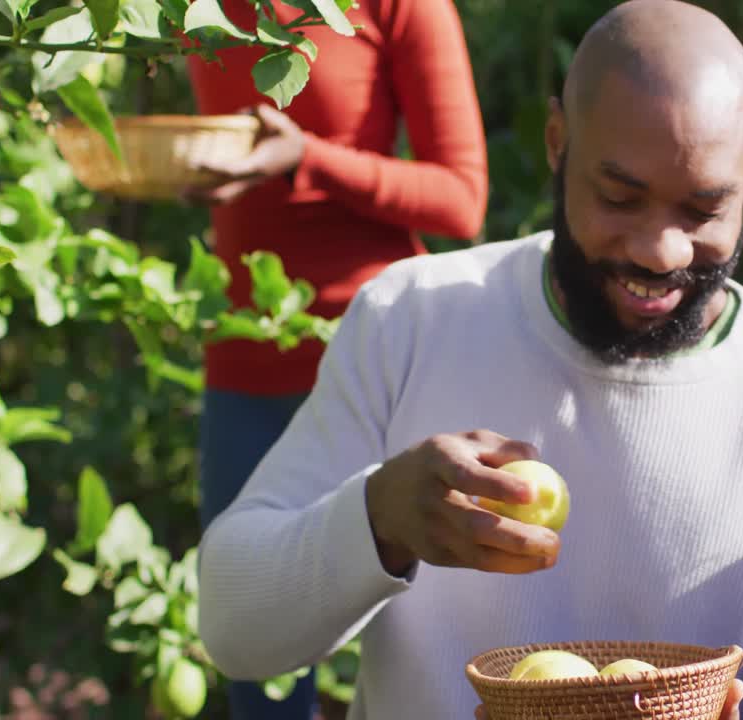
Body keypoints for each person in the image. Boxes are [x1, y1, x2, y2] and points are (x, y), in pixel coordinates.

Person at [196, 2, 743, 718]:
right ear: (558, 142)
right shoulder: (409, 321)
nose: (662, 250)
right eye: (620, 197)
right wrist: (381, 518)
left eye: (704, 210)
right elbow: (232, 628)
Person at [183, 0, 488, 716]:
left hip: (380, 370)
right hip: (247, 361)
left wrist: (308, 160)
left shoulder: (399, 7)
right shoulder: (192, 10)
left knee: (420, 663)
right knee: (255, 663)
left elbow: (461, 197)